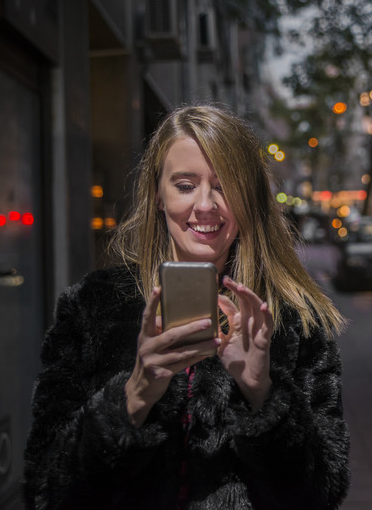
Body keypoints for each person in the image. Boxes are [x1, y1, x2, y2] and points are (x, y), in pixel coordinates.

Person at [23, 104, 349, 509]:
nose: (206, 204)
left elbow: (320, 495)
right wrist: (135, 395)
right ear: (158, 195)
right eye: (184, 184)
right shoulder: (92, 308)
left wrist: (263, 394)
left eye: (225, 184)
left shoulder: (295, 318)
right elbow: (46, 493)